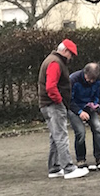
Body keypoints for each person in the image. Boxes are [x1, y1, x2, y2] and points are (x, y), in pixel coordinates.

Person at [38, 39, 90, 179]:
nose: (71, 58)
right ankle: (68, 168)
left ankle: (54, 168)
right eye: (71, 54)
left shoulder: (51, 60)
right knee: (61, 136)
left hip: (47, 104)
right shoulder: (56, 63)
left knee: (55, 136)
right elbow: (50, 87)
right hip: (53, 105)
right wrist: (59, 101)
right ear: (65, 51)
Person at [68, 62, 100, 168]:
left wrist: (96, 104)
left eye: (93, 80)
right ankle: (81, 159)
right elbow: (68, 100)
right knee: (80, 132)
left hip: (89, 107)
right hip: (74, 108)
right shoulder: (73, 79)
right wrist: (79, 112)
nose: (90, 81)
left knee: (98, 128)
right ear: (84, 72)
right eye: (89, 78)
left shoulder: (98, 80)